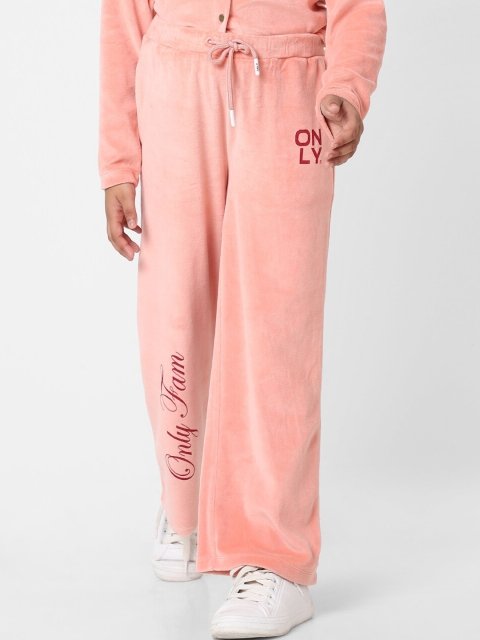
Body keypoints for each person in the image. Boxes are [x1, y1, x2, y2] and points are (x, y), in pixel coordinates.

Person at [98, 1, 387, 637]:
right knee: (175, 309)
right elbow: (123, 17)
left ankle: (275, 557)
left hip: (288, 94)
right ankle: (185, 502)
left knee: (278, 322)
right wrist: (118, 160)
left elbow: (359, 7)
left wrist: (347, 88)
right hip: (175, 87)